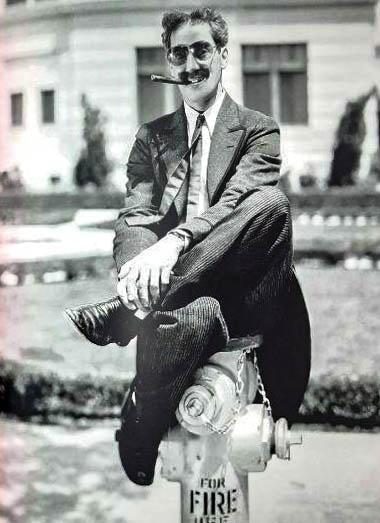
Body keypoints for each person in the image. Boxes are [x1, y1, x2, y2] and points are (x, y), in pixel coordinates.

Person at [65, 7, 310, 486]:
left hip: (248, 293)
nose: (191, 63)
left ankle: (128, 314)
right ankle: (143, 415)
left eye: (202, 50)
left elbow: (238, 203)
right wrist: (135, 271)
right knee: (194, 317)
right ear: (169, 62)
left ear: (223, 55)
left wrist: (175, 242)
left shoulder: (259, 129)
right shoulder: (151, 138)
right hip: (187, 302)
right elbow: (136, 216)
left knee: (271, 204)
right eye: (179, 54)